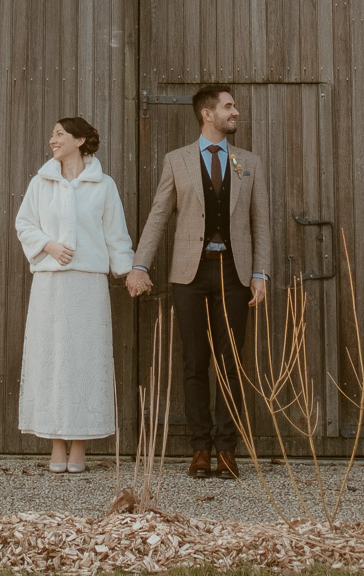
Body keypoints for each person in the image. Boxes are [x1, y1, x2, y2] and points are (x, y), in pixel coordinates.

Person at [125, 85, 270, 480]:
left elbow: (261, 222)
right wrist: (139, 266)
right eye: (229, 106)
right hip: (189, 273)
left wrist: (260, 273)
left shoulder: (248, 162)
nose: (235, 112)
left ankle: (227, 449)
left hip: (234, 273)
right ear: (208, 114)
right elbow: (158, 216)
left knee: (231, 362)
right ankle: (199, 449)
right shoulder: (178, 161)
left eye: (234, 106)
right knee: (194, 362)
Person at [13, 116, 134, 473]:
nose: (53, 139)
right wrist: (48, 245)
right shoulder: (41, 182)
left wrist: (128, 273)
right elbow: (24, 223)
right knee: (51, 359)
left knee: (85, 361)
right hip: (50, 285)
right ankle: (55, 444)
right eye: (52, 134)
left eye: (60, 134)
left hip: (88, 286)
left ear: (80, 140)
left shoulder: (103, 185)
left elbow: (116, 233)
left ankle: (80, 446)